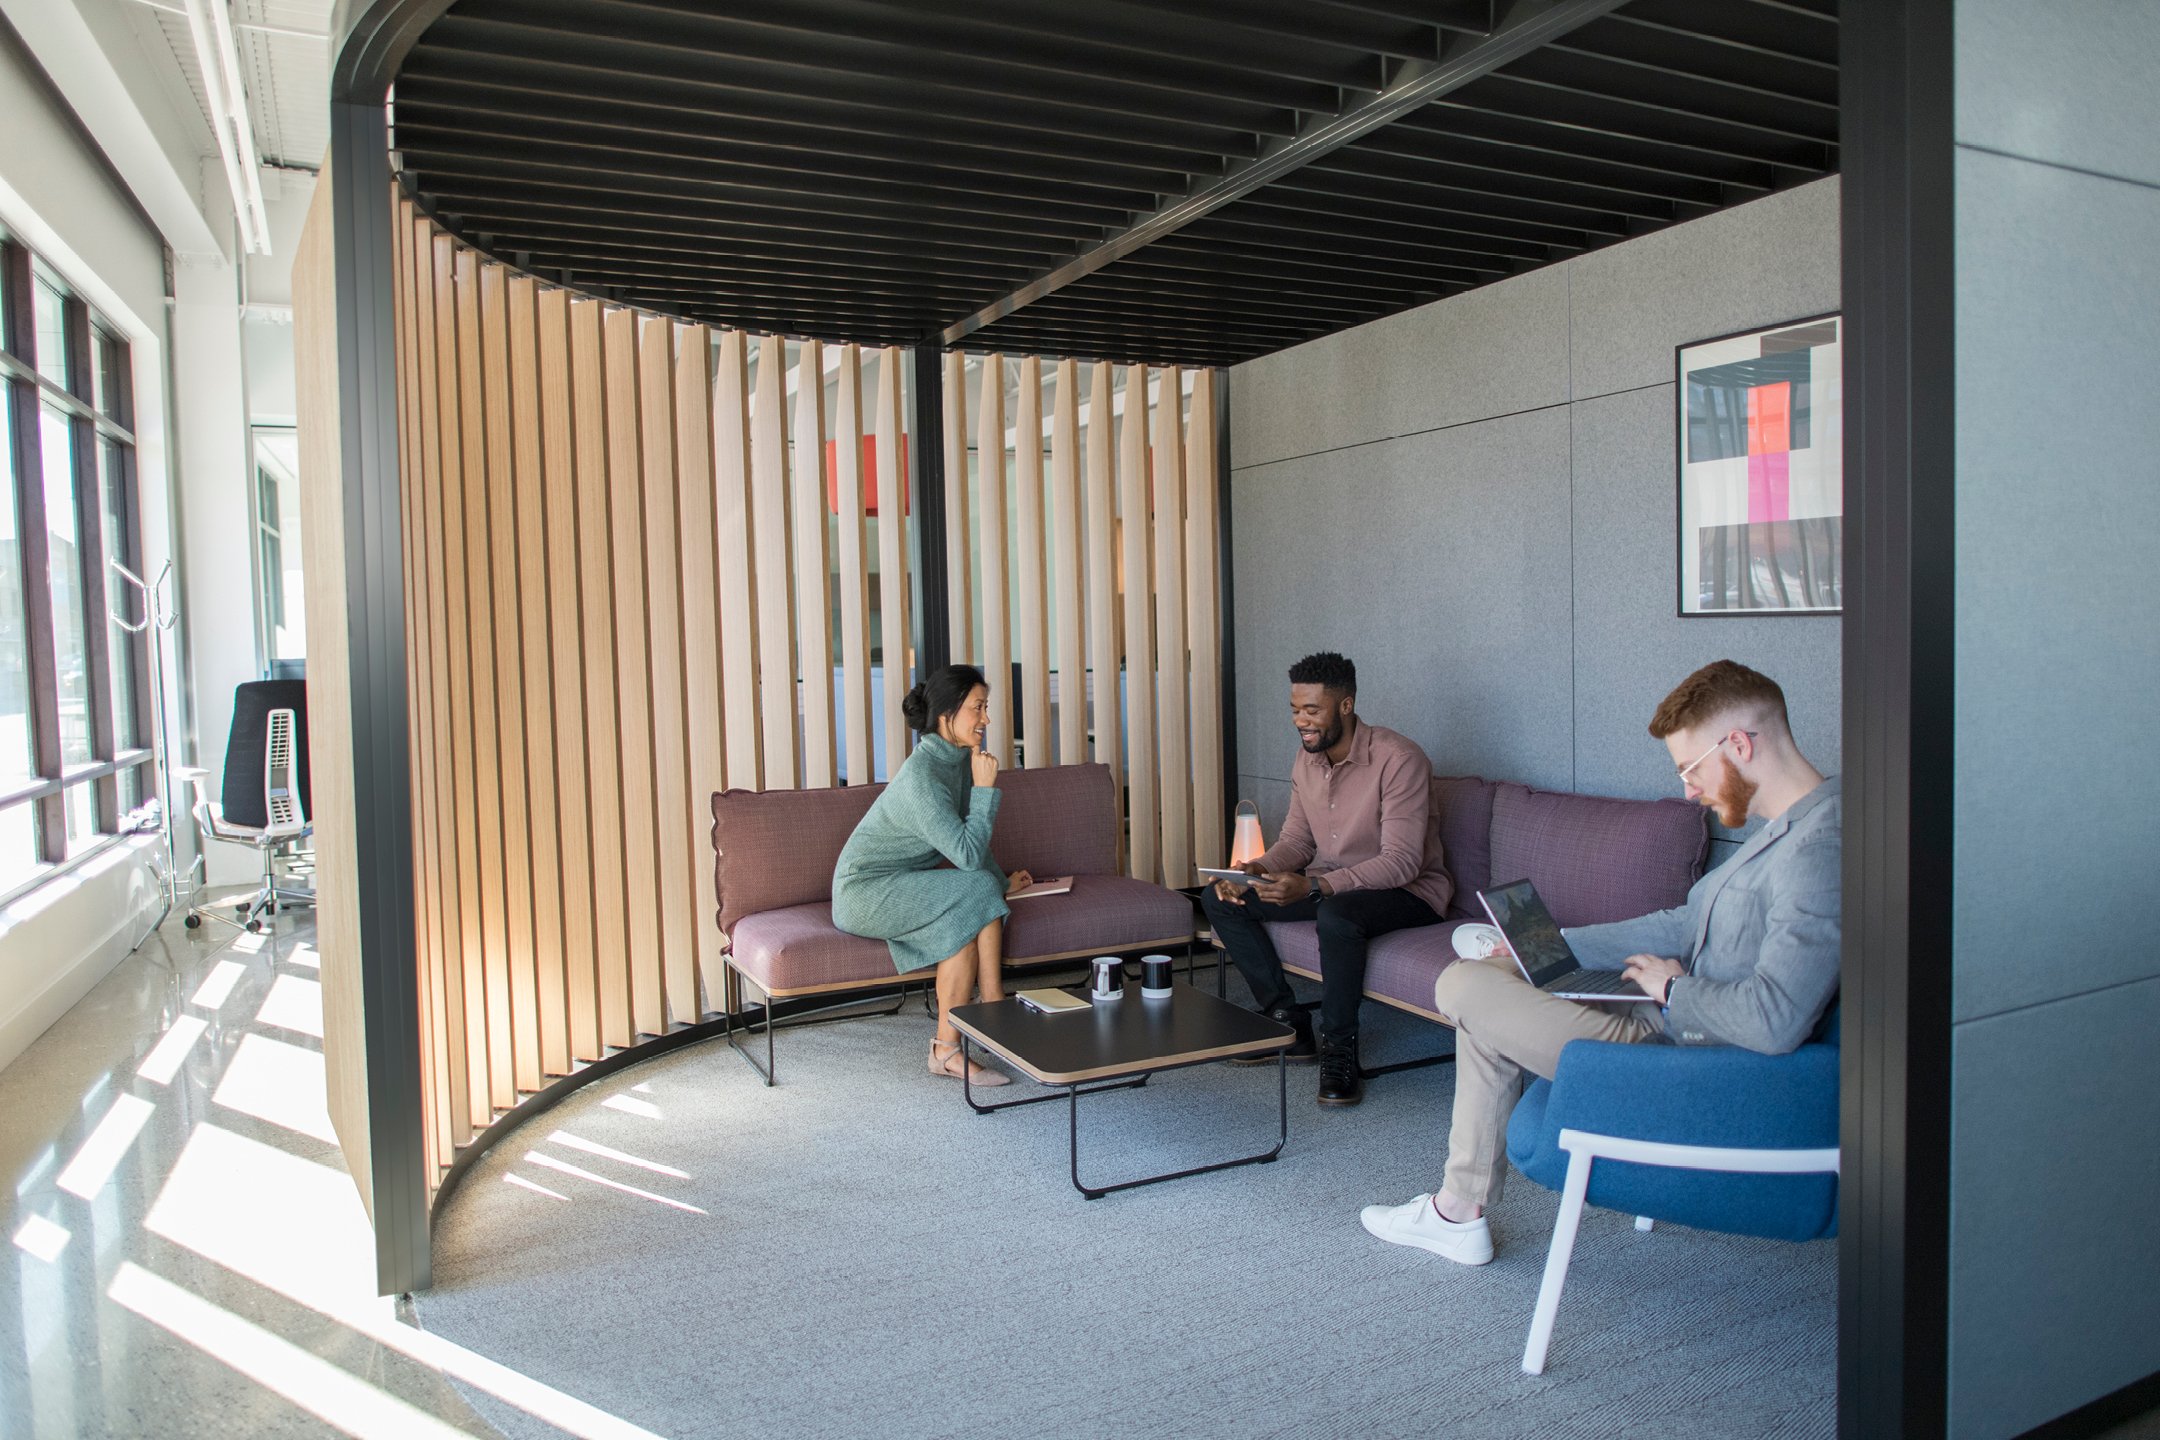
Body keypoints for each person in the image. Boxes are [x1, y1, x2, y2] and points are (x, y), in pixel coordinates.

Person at [1360, 659, 1840, 1265]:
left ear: (1739, 744)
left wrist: (1670, 991)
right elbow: (1682, 924)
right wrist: (1550, 943)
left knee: (1460, 984)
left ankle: (1455, 1213)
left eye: (1690, 769)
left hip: (1683, 1061)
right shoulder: (1786, 830)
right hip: (1668, 1021)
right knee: (1501, 976)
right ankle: (1458, 1212)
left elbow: (1776, 1019)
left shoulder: (1819, 852)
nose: (1689, 789)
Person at [1201, 652, 1450, 1108]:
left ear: (1345, 706)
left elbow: (1402, 861)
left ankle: (1340, 1047)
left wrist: (1315, 887)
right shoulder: (1306, 759)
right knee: (1220, 900)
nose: (1301, 721)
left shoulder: (1399, 760)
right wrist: (1255, 870)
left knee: (1335, 914)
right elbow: (1298, 840)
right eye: (1295, 710)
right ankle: (1288, 1020)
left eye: (1312, 710)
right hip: (1333, 884)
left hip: (1408, 892)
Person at [831, 664, 1034, 1087]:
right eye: (978, 708)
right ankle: (994, 1005)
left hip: (901, 883)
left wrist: (1002, 880)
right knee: (978, 889)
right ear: (947, 715)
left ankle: (945, 1053)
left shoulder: (956, 760)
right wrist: (984, 791)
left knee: (963, 921)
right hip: (864, 892)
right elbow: (964, 854)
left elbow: (970, 843)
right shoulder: (923, 776)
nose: (986, 719)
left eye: (986, 707)